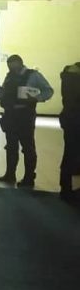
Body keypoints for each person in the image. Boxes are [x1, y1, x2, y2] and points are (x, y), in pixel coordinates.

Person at [0, 55, 54, 187]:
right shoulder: (9, 76)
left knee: (27, 147)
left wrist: (37, 98)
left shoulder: (33, 75)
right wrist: (1, 94)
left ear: (20, 63)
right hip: (10, 114)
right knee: (11, 146)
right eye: (10, 67)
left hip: (25, 115)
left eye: (13, 66)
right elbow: (6, 91)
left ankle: (29, 177)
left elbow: (49, 91)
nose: (12, 69)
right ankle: (10, 174)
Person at [59, 62, 80, 205]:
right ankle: (67, 190)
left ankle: (66, 189)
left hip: (71, 121)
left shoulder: (68, 78)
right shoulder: (73, 79)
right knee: (71, 155)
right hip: (75, 121)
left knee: (70, 155)